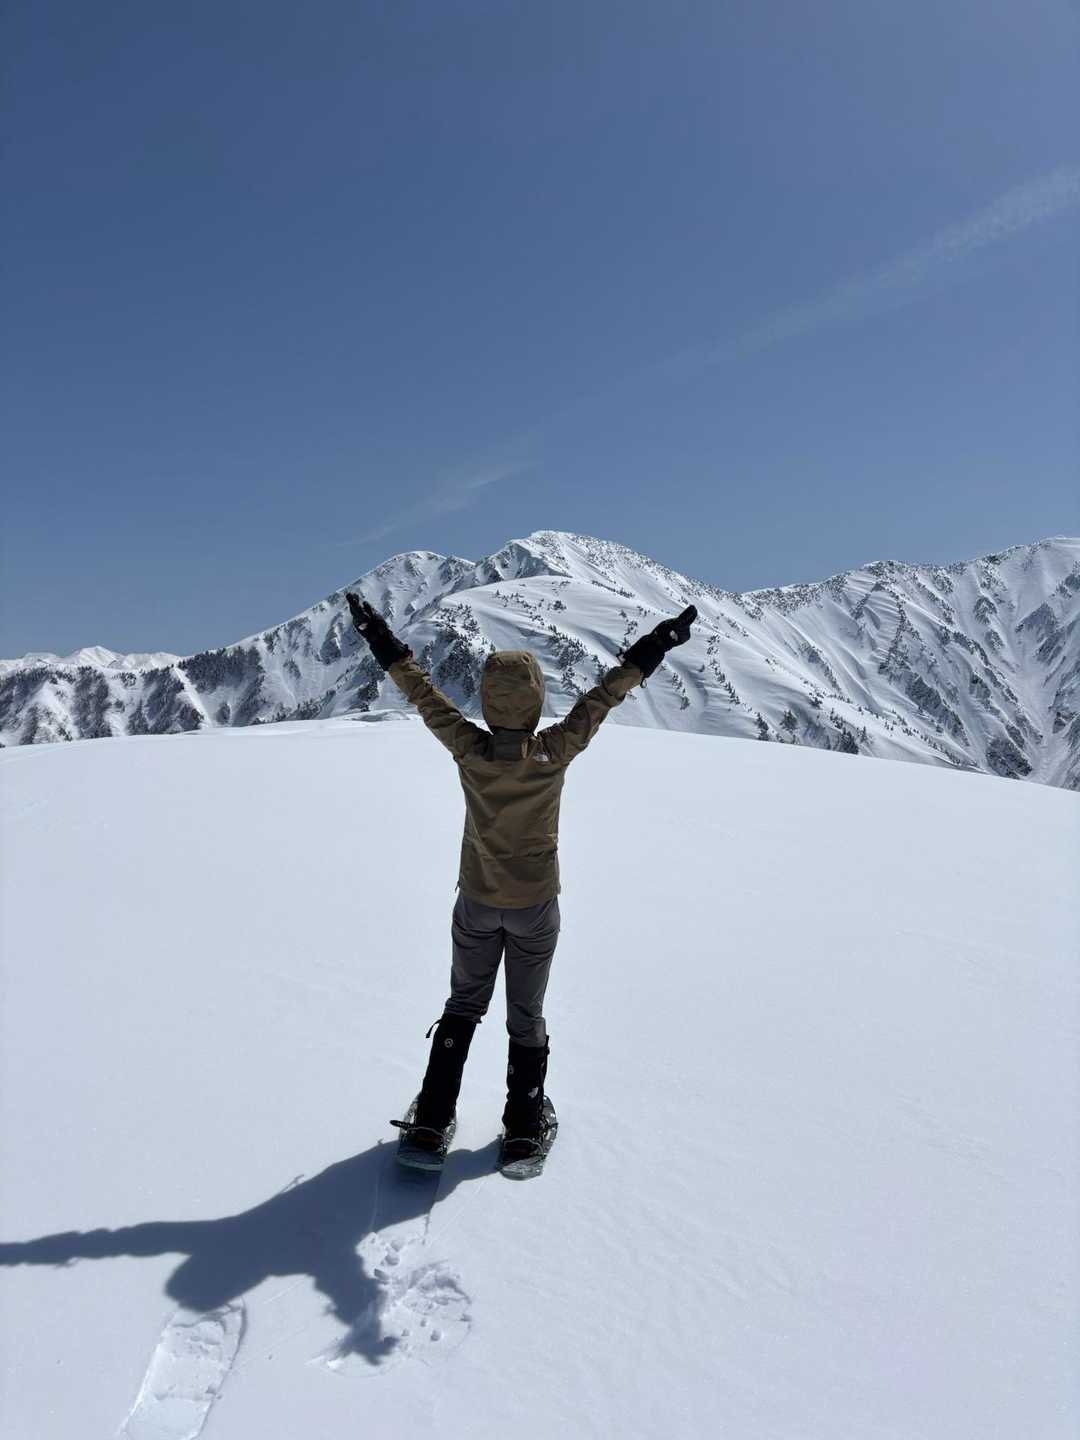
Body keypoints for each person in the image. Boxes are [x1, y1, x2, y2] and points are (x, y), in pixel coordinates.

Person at [346, 591, 696, 1164]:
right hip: (535, 906)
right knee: (525, 1016)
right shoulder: (553, 751)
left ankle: (431, 1123)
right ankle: (523, 1128)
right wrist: (657, 645)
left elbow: (420, 692)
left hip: (477, 902)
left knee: (463, 1004)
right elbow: (604, 696)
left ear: (487, 702)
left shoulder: (469, 749)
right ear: (536, 701)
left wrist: (378, 635)